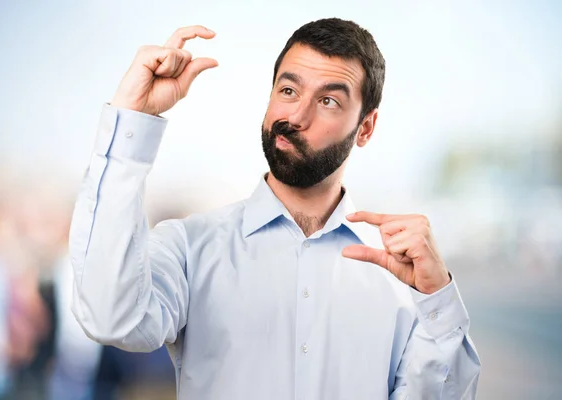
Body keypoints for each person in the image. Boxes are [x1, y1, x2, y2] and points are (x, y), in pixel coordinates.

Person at [69, 18, 481, 399]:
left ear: (366, 128)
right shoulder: (189, 248)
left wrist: (437, 298)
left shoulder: (401, 277)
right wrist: (131, 122)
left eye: (329, 102)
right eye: (288, 90)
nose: (296, 116)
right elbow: (111, 318)